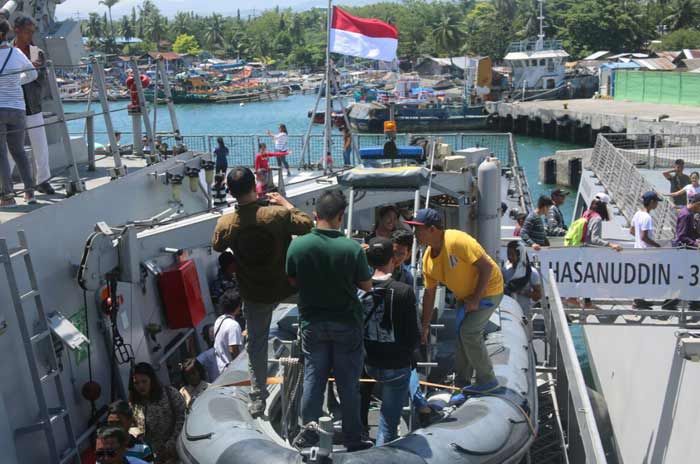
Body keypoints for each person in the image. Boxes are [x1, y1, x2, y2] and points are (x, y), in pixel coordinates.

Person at [212, 166, 313, 417]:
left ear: (230, 191)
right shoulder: (276, 214)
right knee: (311, 318)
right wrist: (284, 202)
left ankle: (257, 398)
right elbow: (307, 224)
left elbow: (217, 245)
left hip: (254, 293)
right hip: (287, 286)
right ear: (254, 186)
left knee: (256, 345)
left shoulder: (227, 223)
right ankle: (311, 368)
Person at [286, 190, 373, 451]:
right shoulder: (351, 248)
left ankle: (309, 431)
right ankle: (353, 437)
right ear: (340, 216)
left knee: (314, 377)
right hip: (346, 323)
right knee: (348, 384)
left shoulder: (298, 245)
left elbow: (292, 280)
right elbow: (366, 285)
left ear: (315, 215)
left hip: (312, 323)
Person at [408, 208, 504, 392]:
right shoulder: (428, 259)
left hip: (489, 290)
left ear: (432, 229)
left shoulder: (456, 240)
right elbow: (429, 294)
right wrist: (425, 326)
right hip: (466, 296)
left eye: (418, 229)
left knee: (469, 332)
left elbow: (486, 267)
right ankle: (462, 383)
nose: (415, 234)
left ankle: (487, 380)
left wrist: (475, 300)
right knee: (460, 337)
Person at [359, 237, 419, 445]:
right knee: (388, 425)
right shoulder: (403, 291)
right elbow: (413, 334)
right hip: (396, 363)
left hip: (369, 362)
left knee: (362, 408)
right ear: (392, 259)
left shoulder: (358, 289)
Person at [13, 15, 53, 194]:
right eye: (27, 31)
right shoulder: (8, 52)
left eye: (32, 31)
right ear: (17, 30)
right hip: (14, 105)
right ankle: (4, 183)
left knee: (40, 146)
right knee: (9, 147)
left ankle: (43, 180)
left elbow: (41, 80)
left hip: (33, 105)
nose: (30, 35)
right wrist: (30, 69)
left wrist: (32, 71)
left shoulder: (38, 52)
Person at [0, 18, 37, 206]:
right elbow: (32, 74)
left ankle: (7, 196)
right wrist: (15, 81)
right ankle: (30, 193)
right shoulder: (16, 53)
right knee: (19, 152)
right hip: (17, 109)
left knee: (1, 154)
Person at [128, 362, 185, 464]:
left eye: (144, 381)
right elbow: (134, 427)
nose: (141, 386)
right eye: (136, 383)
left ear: (152, 380)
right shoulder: (134, 404)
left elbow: (182, 417)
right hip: (156, 457)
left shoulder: (169, 393)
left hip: (179, 450)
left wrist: (171, 444)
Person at [630, 191, 664, 310]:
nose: (657, 204)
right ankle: (638, 302)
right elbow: (644, 237)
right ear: (651, 202)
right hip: (645, 253)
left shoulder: (637, 213)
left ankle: (639, 300)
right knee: (645, 277)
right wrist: (657, 246)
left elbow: (632, 231)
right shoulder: (647, 217)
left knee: (640, 277)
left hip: (637, 250)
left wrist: (638, 239)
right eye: (656, 202)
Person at [502, 240, 542, 317]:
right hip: (508, 313)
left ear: (520, 255)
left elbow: (538, 296)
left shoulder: (532, 273)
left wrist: (521, 292)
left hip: (524, 315)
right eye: (508, 254)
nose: (509, 257)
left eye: (512, 254)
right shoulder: (505, 270)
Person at [213, 289, 243, 375]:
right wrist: (239, 369)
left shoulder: (219, 320)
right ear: (237, 306)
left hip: (222, 370)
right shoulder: (233, 325)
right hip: (233, 371)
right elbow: (233, 350)